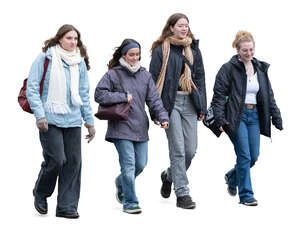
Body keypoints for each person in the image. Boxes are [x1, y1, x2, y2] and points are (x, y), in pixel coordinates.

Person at [26, 24, 95, 218]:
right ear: (59, 39)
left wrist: (89, 121)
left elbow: (83, 93)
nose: (73, 42)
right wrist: (39, 115)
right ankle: (41, 192)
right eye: (69, 38)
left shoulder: (79, 62)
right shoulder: (45, 58)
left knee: (73, 162)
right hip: (50, 119)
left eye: (75, 39)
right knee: (56, 159)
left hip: (73, 120)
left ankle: (66, 206)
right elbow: (32, 88)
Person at [94, 39, 169, 214]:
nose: (135, 58)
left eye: (137, 55)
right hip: (120, 126)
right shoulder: (113, 74)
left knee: (141, 164)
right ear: (124, 55)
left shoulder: (145, 75)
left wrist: (162, 116)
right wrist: (121, 96)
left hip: (140, 126)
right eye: (131, 54)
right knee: (128, 165)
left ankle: (120, 183)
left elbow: (154, 100)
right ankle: (130, 202)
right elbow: (99, 94)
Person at [211, 31, 283, 206]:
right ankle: (246, 195)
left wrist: (276, 116)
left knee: (254, 156)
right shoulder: (228, 69)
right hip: (236, 116)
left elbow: (268, 95)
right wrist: (219, 119)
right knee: (244, 155)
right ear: (237, 50)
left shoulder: (260, 68)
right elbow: (219, 96)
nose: (249, 53)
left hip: (255, 116)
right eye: (245, 50)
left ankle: (232, 177)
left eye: (251, 49)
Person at [149, 13, 207, 209]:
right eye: (180, 25)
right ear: (171, 27)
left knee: (191, 150)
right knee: (178, 150)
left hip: (190, 102)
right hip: (170, 103)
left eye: (186, 26)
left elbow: (200, 79)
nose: (184, 29)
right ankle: (182, 194)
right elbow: (153, 81)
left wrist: (202, 107)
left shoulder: (194, 49)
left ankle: (169, 175)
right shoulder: (161, 50)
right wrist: (155, 111)